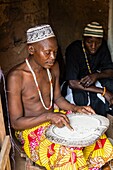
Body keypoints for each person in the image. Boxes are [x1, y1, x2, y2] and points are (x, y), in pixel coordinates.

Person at [7, 24, 113, 170]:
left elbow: (58, 99)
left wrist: (77, 108)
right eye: (47, 52)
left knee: (97, 137)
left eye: (55, 52)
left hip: (55, 118)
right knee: (69, 153)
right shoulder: (16, 77)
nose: (52, 57)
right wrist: (48, 117)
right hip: (30, 130)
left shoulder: (53, 67)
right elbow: (16, 123)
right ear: (31, 50)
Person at [65, 21, 113, 117]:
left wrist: (96, 75)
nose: (93, 46)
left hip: (95, 80)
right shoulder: (73, 50)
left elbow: (110, 71)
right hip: (78, 84)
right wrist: (103, 91)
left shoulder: (102, 47)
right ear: (83, 39)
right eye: (89, 42)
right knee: (80, 99)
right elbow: (73, 83)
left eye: (98, 42)